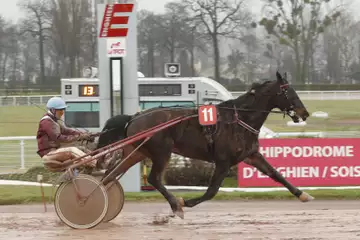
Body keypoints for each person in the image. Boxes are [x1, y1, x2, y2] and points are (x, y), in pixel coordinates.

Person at [36, 96, 96, 171]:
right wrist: (79, 137)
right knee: (71, 150)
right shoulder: (46, 122)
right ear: (53, 110)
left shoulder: (53, 121)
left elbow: (67, 131)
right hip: (48, 154)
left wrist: (83, 134)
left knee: (82, 149)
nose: (62, 113)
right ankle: (95, 163)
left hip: (55, 151)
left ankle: (100, 160)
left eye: (63, 110)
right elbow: (59, 138)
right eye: (60, 111)